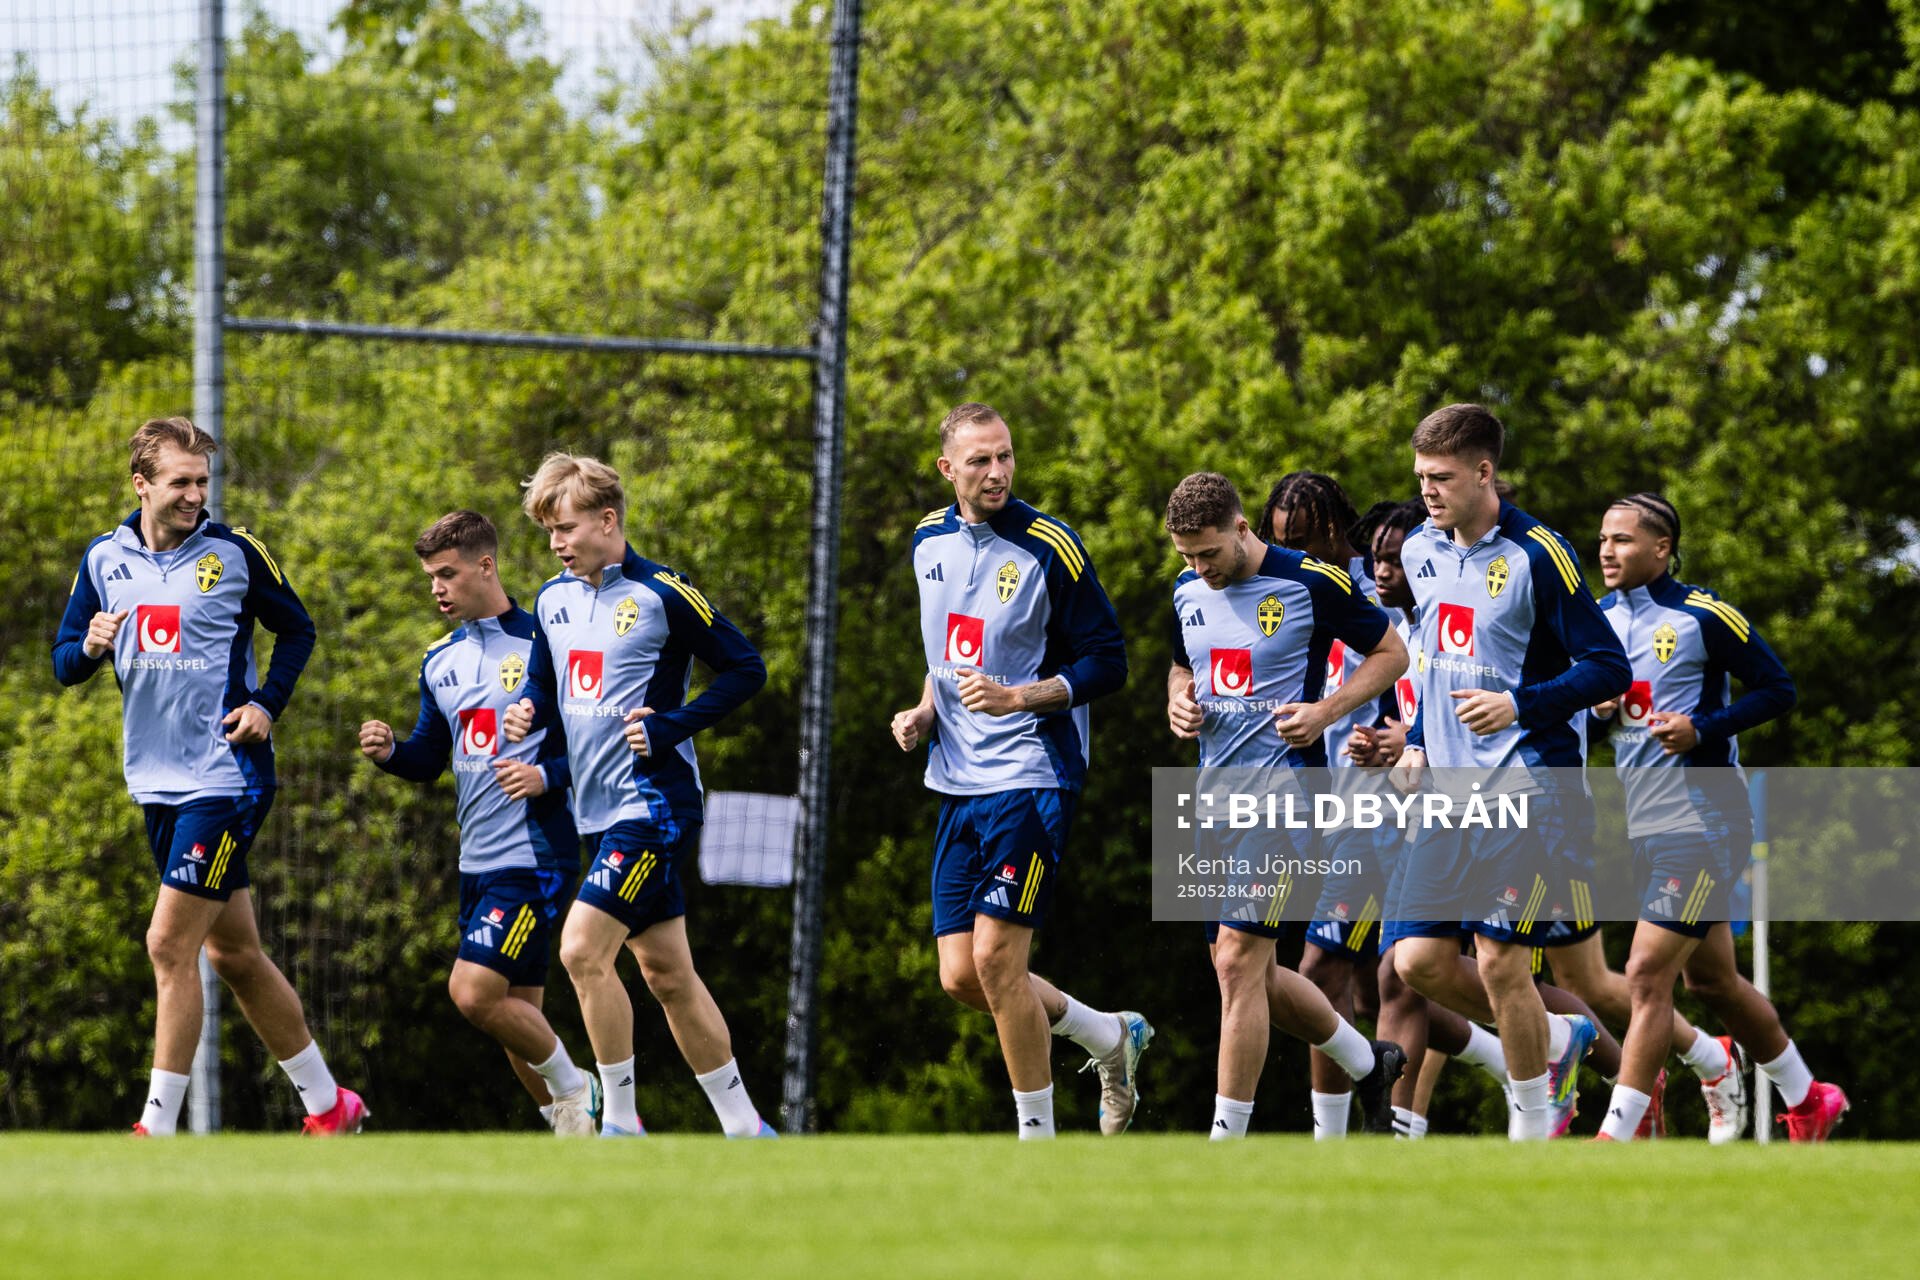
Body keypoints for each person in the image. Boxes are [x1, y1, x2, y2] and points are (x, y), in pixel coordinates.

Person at [53, 416, 364, 1136]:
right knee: (234, 952)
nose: (197, 495)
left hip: (226, 777)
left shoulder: (234, 553)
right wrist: (90, 645)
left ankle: (155, 1129)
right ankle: (329, 1107)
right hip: (154, 782)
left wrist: (265, 703)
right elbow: (64, 661)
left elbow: (299, 629)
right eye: (181, 482)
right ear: (142, 485)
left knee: (168, 944)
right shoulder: (105, 559)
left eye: (203, 481)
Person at [891, 402, 1148, 1139]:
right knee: (960, 976)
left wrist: (1018, 697)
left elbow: (1108, 662)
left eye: (1005, 456)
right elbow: (947, 656)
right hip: (956, 785)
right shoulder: (926, 541)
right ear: (948, 470)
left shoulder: (1050, 546)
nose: (998, 471)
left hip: (1031, 777)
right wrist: (924, 711)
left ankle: (1037, 1145)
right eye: (980, 461)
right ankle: (1107, 1036)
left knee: (998, 961)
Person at [502, 452, 772, 1138]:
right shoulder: (552, 600)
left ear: (607, 520)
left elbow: (746, 669)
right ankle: (746, 1129)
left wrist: (672, 725)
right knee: (668, 974)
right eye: (547, 533)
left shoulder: (663, 593)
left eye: (563, 528)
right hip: (596, 812)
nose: (556, 543)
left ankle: (620, 1123)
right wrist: (527, 711)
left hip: (654, 806)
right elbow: (542, 682)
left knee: (581, 951)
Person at [1389, 403, 1633, 1140]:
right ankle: (1558, 1042)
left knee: (1500, 960)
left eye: (1442, 477)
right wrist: (1421, 741)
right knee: (1418, 964)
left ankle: (1533, 1129)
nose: (1428, 491)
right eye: (1421, 477)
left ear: (1485, 472)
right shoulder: (1417, 552)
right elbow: (1436, 662)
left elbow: (1607, 667)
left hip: (1529, 789)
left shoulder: (1539, 554)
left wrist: (1518, 705)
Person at [1588, 493, 1847, 1142]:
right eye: (1603, 539)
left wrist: (1702, 727)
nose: (1607, 550)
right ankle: (1808, 1096)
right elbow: (1589, 708)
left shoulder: (1703, 614)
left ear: (1661, 549)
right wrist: (1598, 709)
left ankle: (1612, 1137)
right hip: (1647, 824)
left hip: (1706, 819)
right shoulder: (1595, 621)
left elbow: (1777, 689)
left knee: (1647, 973)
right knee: (1714, 981)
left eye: (1623, 540)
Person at [1165, 471, 1409, 1138]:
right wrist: (1177, 697)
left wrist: (1327, 709)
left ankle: (1226, 1141)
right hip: (1212, 797)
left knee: (1242, 958)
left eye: (1208, 553)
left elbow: (1392, 651)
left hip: (1288, 798)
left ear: (1242, 529)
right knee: (1241, 970)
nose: (1198, 568)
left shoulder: (1311, 582)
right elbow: (1181, 662)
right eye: (1186, 556)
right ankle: (1367, 1060)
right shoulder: (1187, 588)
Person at [358, 510, 599, 1135]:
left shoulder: (545, 643)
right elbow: (429, 757)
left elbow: (597, 736)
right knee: (515, 1018)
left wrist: (548, 776)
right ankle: (577, 1134)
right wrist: (391, 754)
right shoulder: (439, 661)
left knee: (472, 993)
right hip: (478, 863)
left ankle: (581, 1090)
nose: (437, 588)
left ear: (485, 566)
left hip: (534, 855)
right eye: (430, 577)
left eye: (448, 574)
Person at [1255, 472, 1410, 1135]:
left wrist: (1407, 739)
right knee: (1357, 978)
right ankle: (1342, 1135)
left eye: (1307, 540)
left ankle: (1364, 1133)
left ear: (1335, 531)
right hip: (1328, 811)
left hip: (1394, 808)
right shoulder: (1277, 593)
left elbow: (1424, 673)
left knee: (1381, 975)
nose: (1295, 552)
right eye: (1283, 539)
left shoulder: (1385, 592)